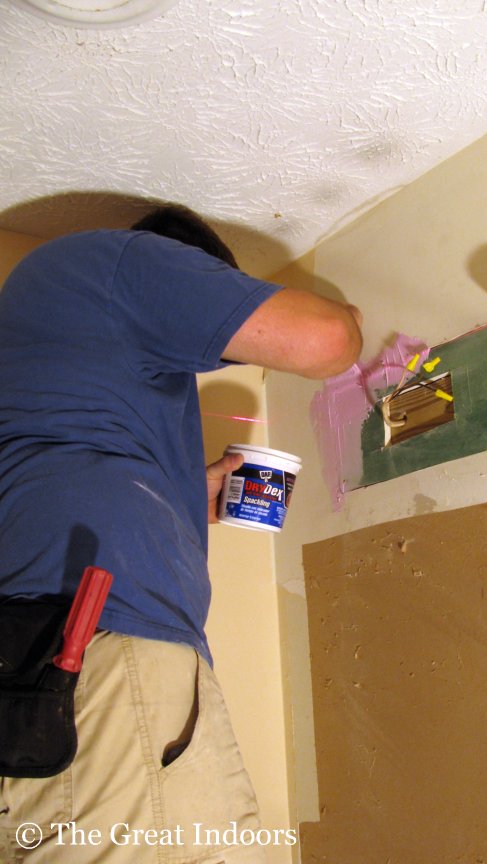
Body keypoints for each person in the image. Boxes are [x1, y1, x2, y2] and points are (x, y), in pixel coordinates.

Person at [0, 204, 363, 863]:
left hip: (45, 661)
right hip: (97, 649)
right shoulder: (118, 262)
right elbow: (326, 340)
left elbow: (57, 475)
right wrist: (356, 319)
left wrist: (185, 494)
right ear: (186, 272)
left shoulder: (45, 337)